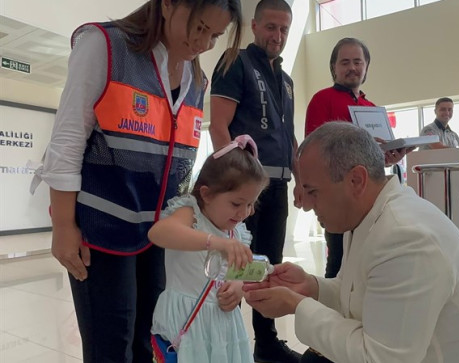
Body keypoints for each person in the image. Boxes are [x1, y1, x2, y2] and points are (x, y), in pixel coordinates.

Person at [29, 1, 243, 361]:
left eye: (215, 36)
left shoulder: (197, 79)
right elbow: (66, 142)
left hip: (156, 240)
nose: (203, 43)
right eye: (200, 27)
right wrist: (63, 225)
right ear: (169, 4)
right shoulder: (106, 46)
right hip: (102, 233)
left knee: (149, 341)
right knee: (110, 346)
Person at [243, 122, 459, 363]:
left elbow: (380, 358)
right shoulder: (372, 213)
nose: (305, 206)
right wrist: (312, 288)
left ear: (356, 180)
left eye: (312, 191)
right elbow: (361, 292)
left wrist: (297, 305)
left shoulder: (405, 236)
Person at [209, 0, 301, 361]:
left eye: (284, 30)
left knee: (268, 265)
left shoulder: (288, 81)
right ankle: (221, 345)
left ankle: (265, 343)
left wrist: (301, 181)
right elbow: (219, 126)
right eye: (271, 27)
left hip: (278, 187)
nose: (277, 36)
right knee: (232, 264)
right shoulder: (235, 62)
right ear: (255, 26)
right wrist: (235, 189)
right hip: (246, 190)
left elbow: (288, 135)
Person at [148, 135, 267, 362]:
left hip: (223, 326)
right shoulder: (191, 213)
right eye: (236, 203)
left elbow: (239, 273)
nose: (243, 213)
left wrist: (239, 287)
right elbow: (158, 233)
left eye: (251, 204)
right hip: (187, 322)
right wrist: (216, 242)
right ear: (206, 194)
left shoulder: (238, 232)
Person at [303, 37, 407, 280]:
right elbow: (313, 150)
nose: (352, 68)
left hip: (371, 199)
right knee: (338, 261)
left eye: (358, 62)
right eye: (345, 62)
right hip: (338, 195)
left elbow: (376, 162)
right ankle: (330, 313)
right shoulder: (322, 99)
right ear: (334, 68)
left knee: (369, 259)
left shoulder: (371, 107)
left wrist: (389, 156)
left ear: (366, 66)